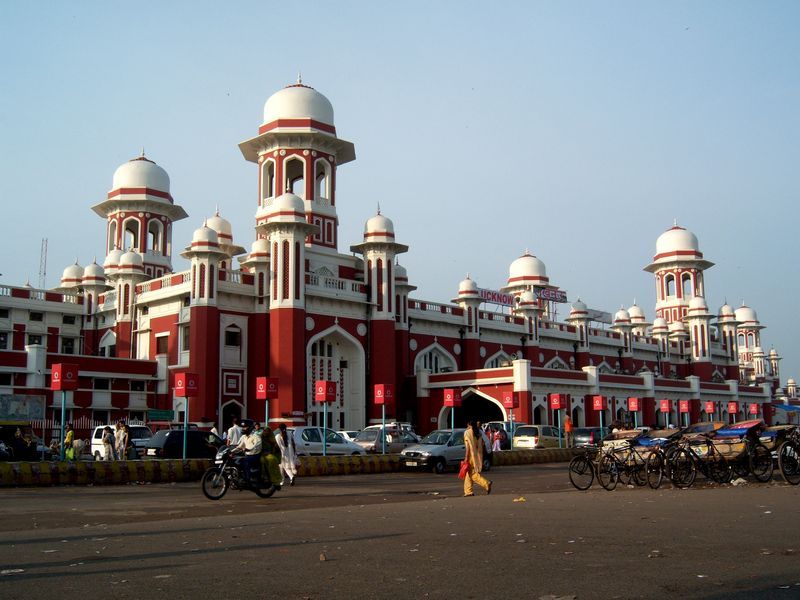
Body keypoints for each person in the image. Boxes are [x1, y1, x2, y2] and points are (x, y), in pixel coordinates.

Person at [463, 419, 492, 497]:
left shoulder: (467, 433)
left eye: (467, 425)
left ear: (469, 425)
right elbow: (481, 444)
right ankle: (468, 491)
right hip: (477, 455)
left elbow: (468, 447)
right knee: (468, 474)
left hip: (470, 456)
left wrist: (466, 457)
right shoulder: (478, 432)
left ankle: (486, 483)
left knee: (471, 473)